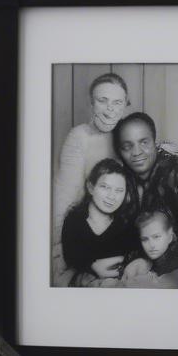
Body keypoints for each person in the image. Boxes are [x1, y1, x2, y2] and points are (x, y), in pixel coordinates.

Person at [52, 72, 129, 238]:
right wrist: (57, 246)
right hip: (87, 229)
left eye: (117, 102)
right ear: (92, 104)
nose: (110, 108)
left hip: (123, 228)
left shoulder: (128, 134)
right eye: (103, 100)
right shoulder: (80, 136)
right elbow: (65, 194)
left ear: (124, 106)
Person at [114, 112, 178, 239]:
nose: (136, 152)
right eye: (127, 146)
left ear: (154, 141)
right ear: (120, 151)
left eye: (144, 142)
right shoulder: (121, 177)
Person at [59, 158, 133, 286]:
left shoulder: (124, 225)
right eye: (105, 187)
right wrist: (92, 266)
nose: (112, 196)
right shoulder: (75, 221)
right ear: (91, 187)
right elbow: (71, 258)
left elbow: (134, 253)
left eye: (119, 190)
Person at [121, 208, 178, 289]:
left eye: (156, 237)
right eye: (145, 239)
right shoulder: (142, 259)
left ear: (170, 237)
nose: (151, 245)